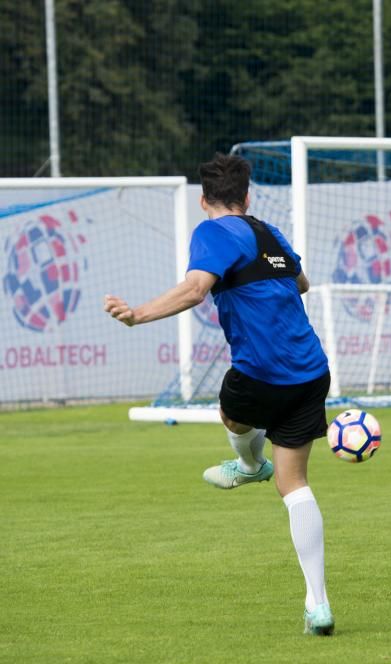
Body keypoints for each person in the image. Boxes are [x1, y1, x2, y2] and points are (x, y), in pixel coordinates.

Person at [103, 154, 336, 635]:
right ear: (248, 196)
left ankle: (250, 465)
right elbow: (302, 283)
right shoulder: (269, 232)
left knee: (231, 416)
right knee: (295, 486)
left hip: (260, 374)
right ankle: (319, 606)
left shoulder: (211, 231)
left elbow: (194, 291)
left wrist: (136, 315)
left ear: (202, 199)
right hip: (311, 371)